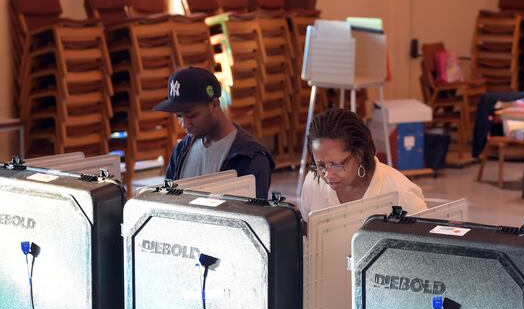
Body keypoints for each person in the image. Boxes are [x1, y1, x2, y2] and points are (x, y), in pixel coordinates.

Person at [153, 67, 274, 198]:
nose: (185, 124)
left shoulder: (250, 157)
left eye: (192, 115)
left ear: (214, 105)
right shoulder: (181, 150)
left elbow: (251, 210)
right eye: (179, 116)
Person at [300, 108, 428, 219]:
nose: (328, 175)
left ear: (359, 154)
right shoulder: (313, 183)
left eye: (336, 164)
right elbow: (305, 235)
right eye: (321, 166)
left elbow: (426, 238)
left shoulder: (402, 194)